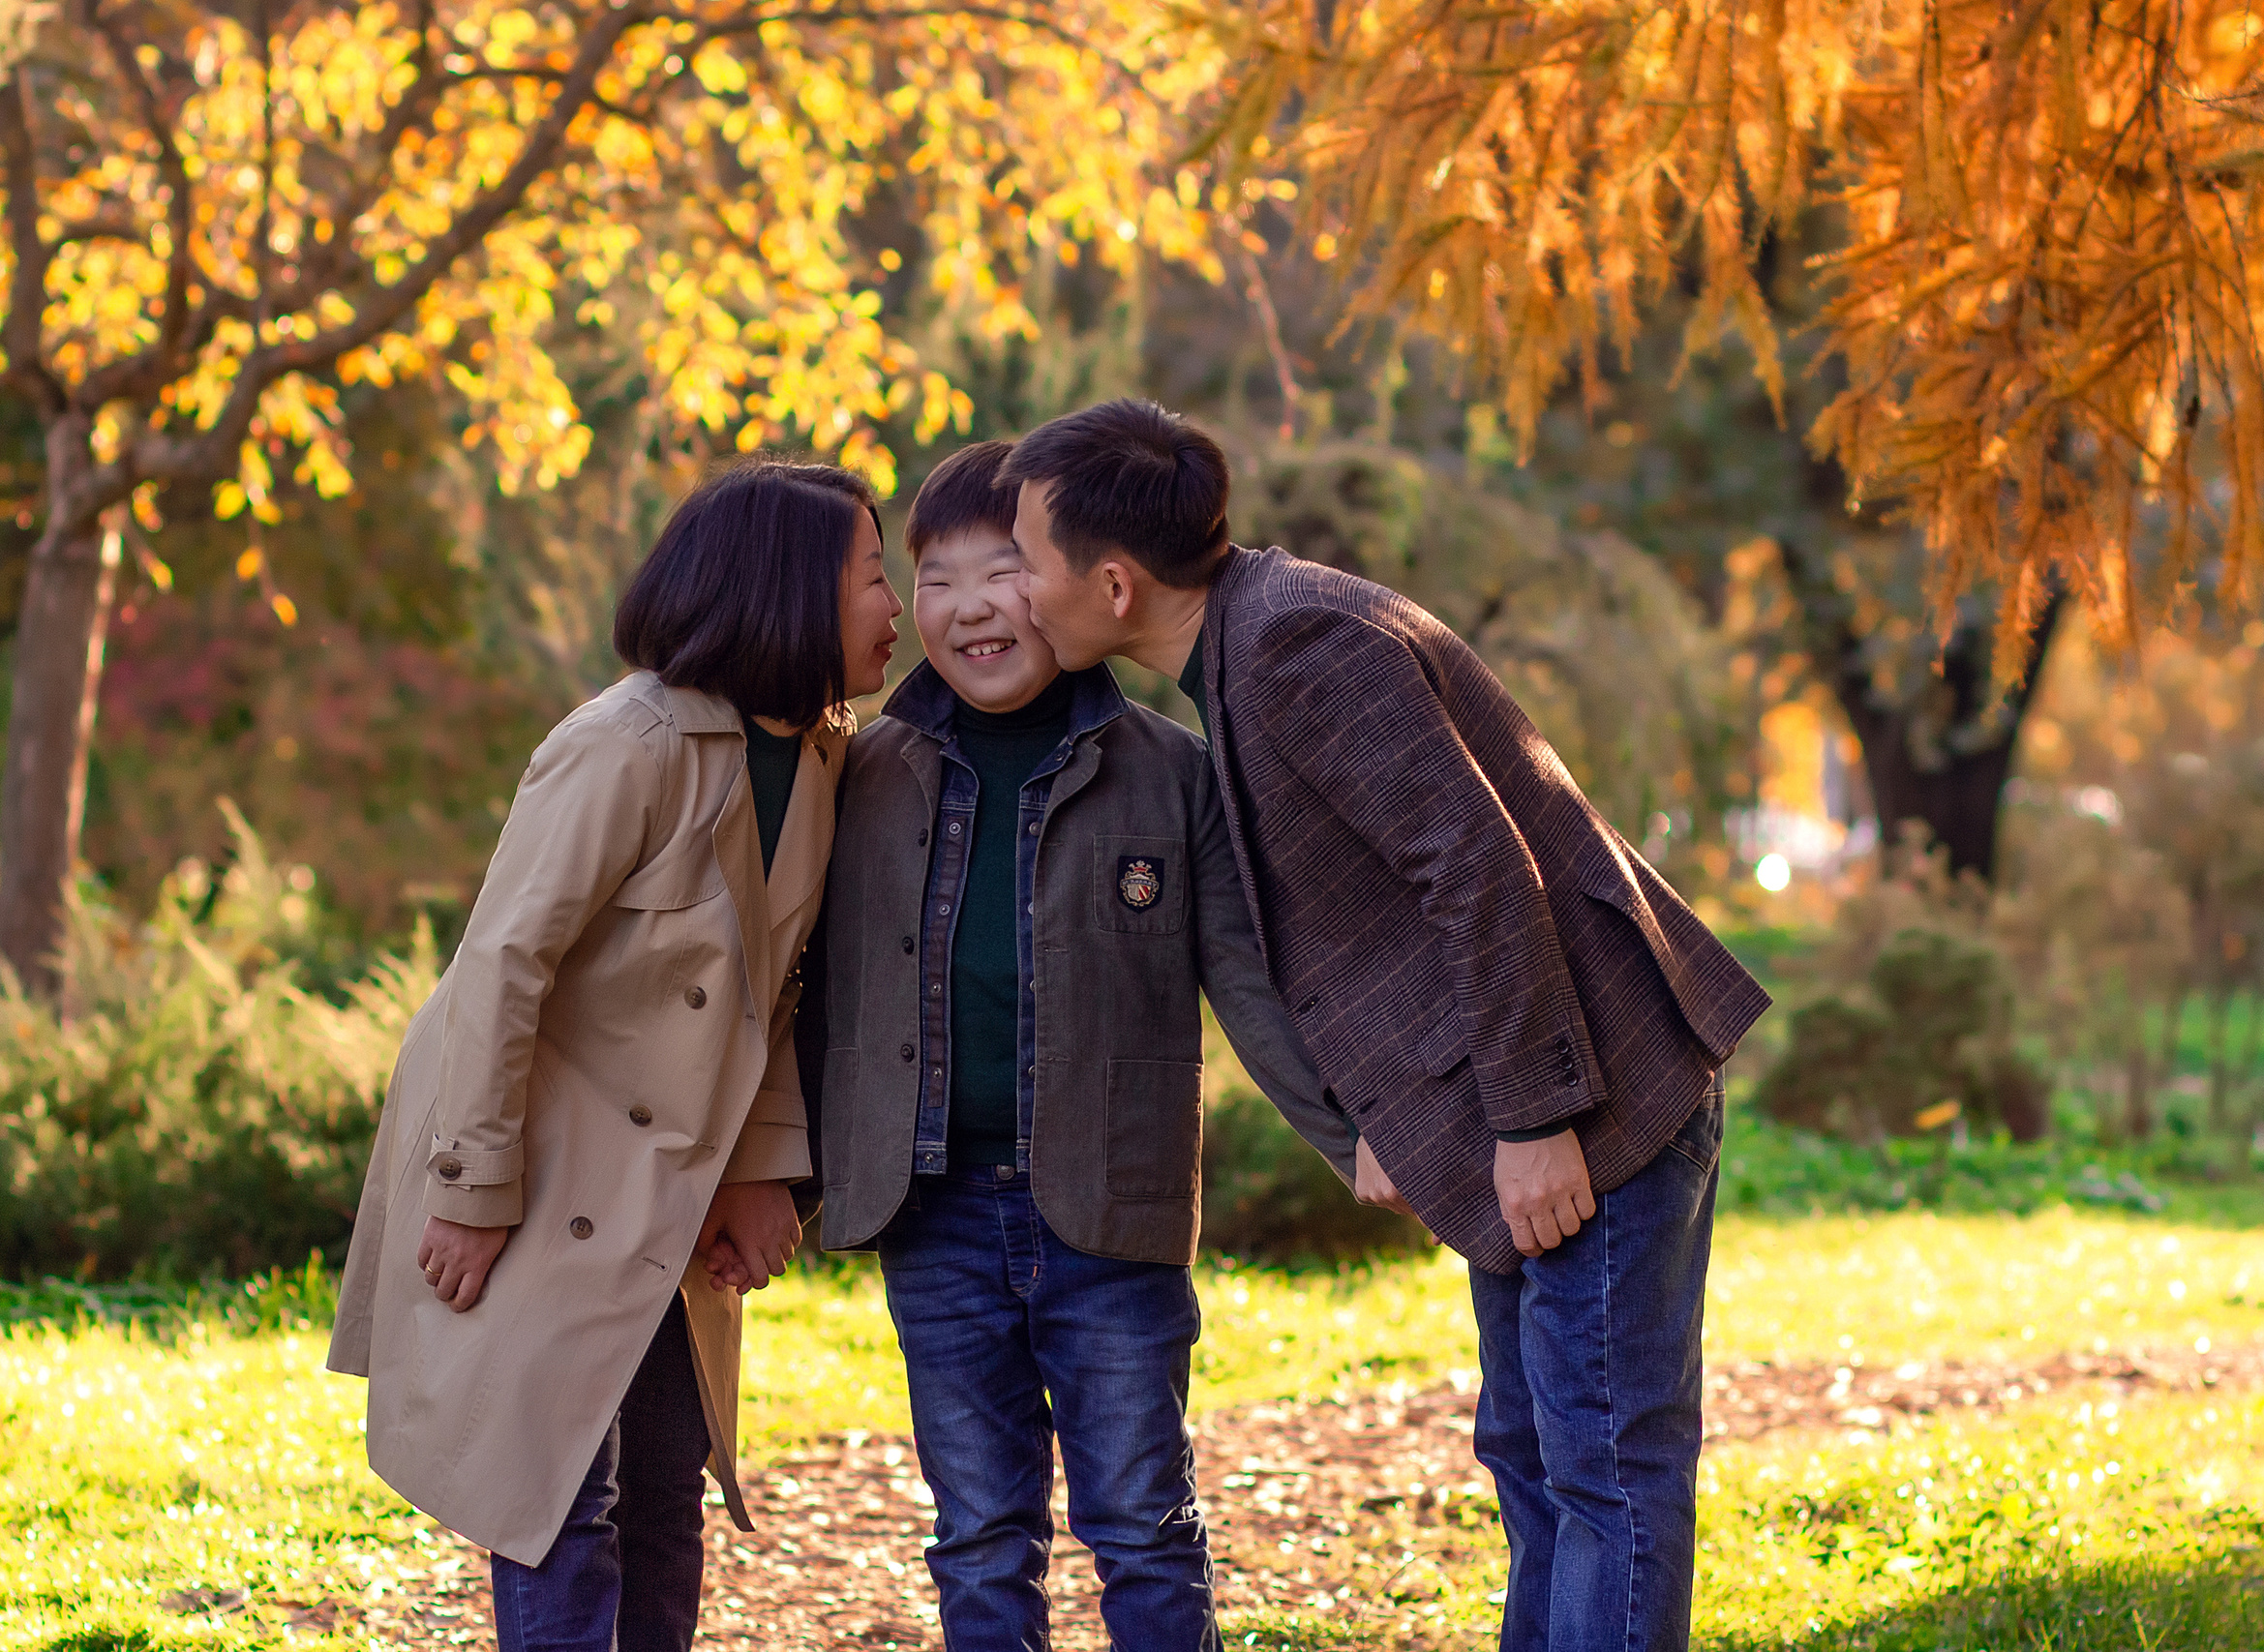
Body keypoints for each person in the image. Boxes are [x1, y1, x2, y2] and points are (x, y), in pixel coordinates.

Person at [1002, 401, 1772, 1652]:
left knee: (1608, 1463)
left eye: (1027, 560)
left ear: (1111, 580)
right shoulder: (1248, 645)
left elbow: (1476, 867)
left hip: (1597, 1098)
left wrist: (1534, 1119)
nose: (1021, 595)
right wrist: (1401, 1121)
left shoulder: (1300, 643)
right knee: (1535, 1451)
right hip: (1530, 1097)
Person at [326, 459, 905, 1652]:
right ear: (787, 592)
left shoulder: (820, 752)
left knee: (663, 1484)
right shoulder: (625, 744)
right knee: (556, 1494)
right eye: (872, 576)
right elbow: (502, 966)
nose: (894, 606)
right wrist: (475, 1190)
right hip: (537, 1162)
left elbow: (775, 988)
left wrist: (761, 1170)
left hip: (672, 1179)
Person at [796, 440, 1340, 1652]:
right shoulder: (861, 773)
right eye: (933, 578)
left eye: (1003, 573)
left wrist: (1362, 1140)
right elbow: (802, 990)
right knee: (979, 1531)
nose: (969, 607)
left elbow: (1249, 984)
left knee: (1142, 1520)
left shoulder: (1167, 773)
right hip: (930, 1216)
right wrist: (772, 1176)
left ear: (1064, 588)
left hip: (1110, 1217)